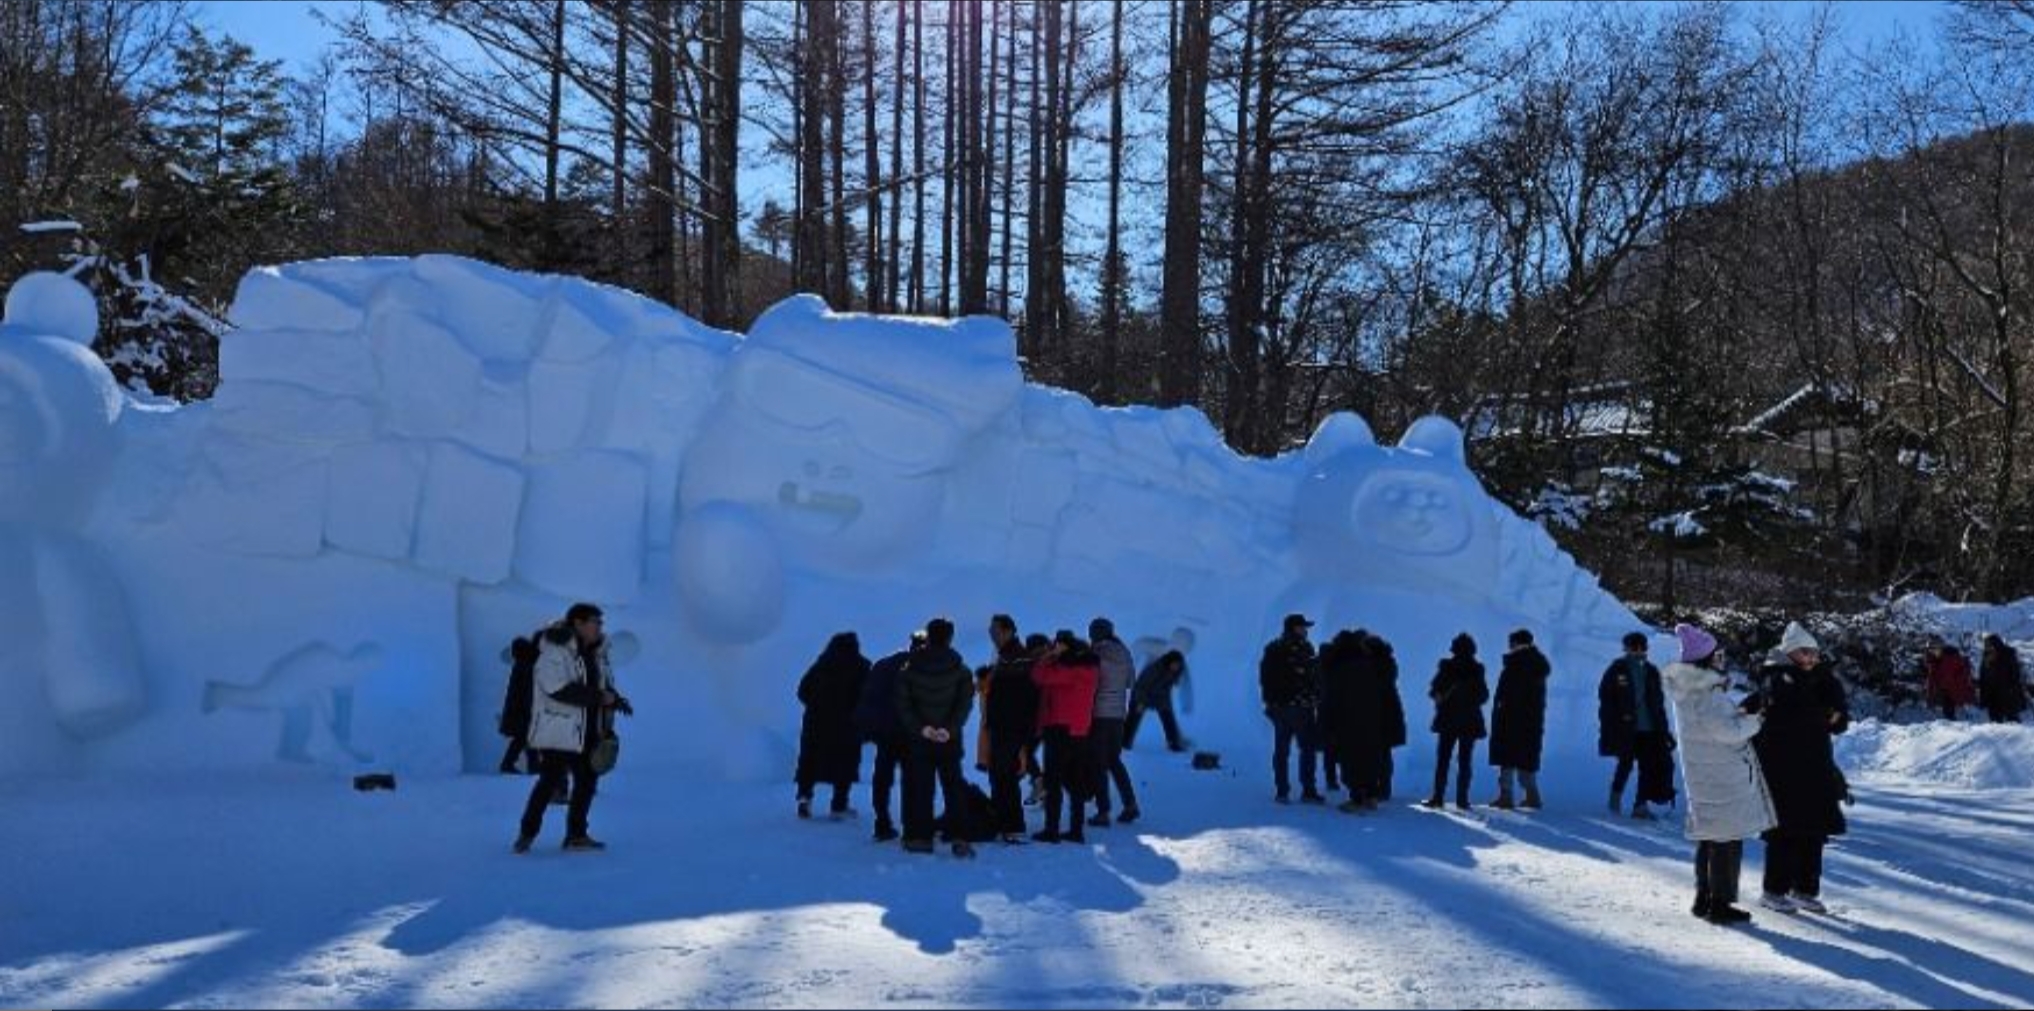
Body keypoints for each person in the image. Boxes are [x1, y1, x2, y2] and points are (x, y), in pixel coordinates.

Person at [1663, 624, 1773, 927]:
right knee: (1726, 840)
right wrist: (1755, 721)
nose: (1722, 660)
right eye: (1718, 655)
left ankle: (1703, 898)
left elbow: (1713, 725)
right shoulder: (1705, 692)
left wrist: (1737, 714)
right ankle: (1720, 904)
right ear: (1705, 660)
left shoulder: (1690, 689)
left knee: (1709, 837)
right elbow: (1726, 732)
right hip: (1721, 776)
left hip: (1705, 773)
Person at [1748, 622, 1850, 915]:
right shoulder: (1776, 677)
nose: (1812, 658)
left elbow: (1839, 718)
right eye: (1806, 652)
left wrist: (1831, 712)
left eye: (1815, 653)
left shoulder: (1821, 679)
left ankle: (1805, 889)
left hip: (1816, 764)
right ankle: (1774, 889)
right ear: (1791, 651)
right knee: (1785, 830)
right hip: (1782, 766)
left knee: (1814, 830)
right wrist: (1821, 715)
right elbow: (1788, 714)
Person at [515, 603, 632, 854]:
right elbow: (556, 688)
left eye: (601, 622)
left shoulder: (596, 652)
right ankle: (527, 833)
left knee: (587, 782)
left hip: (588, 729)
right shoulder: (555, 651)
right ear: (578, 623)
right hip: (560, 730)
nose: (600, 626)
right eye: (595, 621)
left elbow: (601, 685)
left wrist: (615, 699)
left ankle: (576, 835)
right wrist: (601, 697)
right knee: (549, 783)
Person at [895, 618, 977, 858]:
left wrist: (921, 728)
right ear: (950, 637)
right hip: (949, 740)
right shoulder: (960, 669)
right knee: (953, 788)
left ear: (928, 636)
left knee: (922, 788)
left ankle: (921, 838)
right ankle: (960, 838)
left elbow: (903, 704)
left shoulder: (910, 668)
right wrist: (949, 729)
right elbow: (964, 704)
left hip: (919, 740)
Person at [1032, 630, 1100, 843]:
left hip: (1059, 727)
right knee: (1076, 781)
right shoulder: (1090, 668)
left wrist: (1049, 657)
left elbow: (1038, 675)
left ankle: (1051, 830)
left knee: (1053, 781)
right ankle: (1076, 829)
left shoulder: (1067, 669)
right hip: (1080, 729)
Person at [1599, 632, 1676, 820]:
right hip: (1626, 728)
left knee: (1647, 767)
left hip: (1650, 728)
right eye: (1634, 647)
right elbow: (1606, 699)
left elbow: (1658, 704)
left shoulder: (1651, 670)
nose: (1638, 651)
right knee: (1625, 764)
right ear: (1626, 648)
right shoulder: (1617, 669)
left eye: (1642, 647)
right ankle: (1614, 800)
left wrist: (1664, 730)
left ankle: (1640, 806)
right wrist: (1613, 722)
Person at [856, 631, 924, 842]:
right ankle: (911, 827)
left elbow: (868, 696)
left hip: (885, 732)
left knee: (883, 777)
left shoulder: (884, 665)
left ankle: (882, 823)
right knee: (911, 780)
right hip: (911, 734)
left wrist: (870, 728)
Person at [795, 632, 871, 820]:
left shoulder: (821, 664)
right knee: (845, 763)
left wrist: (816, 706)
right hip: (847, 726)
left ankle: (804, 798)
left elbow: (802, 690)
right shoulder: (862, 667)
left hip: (816, 724)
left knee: (810, 762)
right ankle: (839, 805)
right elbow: (868, 698)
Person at [983, 615, 1041, 844]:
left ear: (1009, 631)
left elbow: (1025, 697)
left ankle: (1012, 824)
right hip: (1004, 726)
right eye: (990, 631)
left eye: (995, 631)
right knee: (1000, 774)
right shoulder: (1006, 656)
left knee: (1004, 775)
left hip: (1011, 727)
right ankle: (1003, 821)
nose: (992, 635)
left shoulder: (1017, 659)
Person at [1261, 614, 1326, 805]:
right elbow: (1270, 679)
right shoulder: (1297, 649)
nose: (1306, 630)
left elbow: (1265, 680)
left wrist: (1271, 704)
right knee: (1305, 749)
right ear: (1294, 628)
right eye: (1303, 627)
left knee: (1283, 750)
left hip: (1283, 708)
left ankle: (1283, 790)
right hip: (1298, 707)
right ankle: (1307, 790)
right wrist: (1313, 696)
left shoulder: (1275, 648)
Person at [1321, 630, 1386, 813]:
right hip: (1370, 720)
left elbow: (1333, 698)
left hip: (1347, 722)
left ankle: (1356, 799)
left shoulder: (1340, 669)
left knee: (1351, 760)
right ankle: (1371, 796)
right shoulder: (1370, 665)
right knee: (1369, 758)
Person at [1424, 634, 1490, 811]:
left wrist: (1445, 696)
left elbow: (1434, 691)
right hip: (1469, 720)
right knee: (1465, 761)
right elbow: (1483, 696)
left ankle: (1438, 797)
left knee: (1443, 760)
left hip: (1447, 719)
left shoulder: (1446, 667)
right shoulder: (1477, 669)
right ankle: (1462, 800)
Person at [1489, 629, 1552, 811]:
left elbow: (1508, 696)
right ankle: (1532, 795)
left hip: (1510, 719)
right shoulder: (1537, 665)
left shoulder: (1515, 666)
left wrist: (1501, 713)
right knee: (1526, 758)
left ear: (1516, 643)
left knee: (1507, 758)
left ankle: (1506, 796)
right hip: (1531, 721)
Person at [1088, 618, 1141, 827]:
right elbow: (1131, 682)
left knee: (1099, 764)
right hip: (1119, 715)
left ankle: (1103, 812)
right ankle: (1130, 804)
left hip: (1099, 714)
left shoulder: (1096, 654)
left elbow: (1090, 681)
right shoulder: (1124, 652)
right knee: (1114, 761)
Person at [1126, 651, 1189, 752]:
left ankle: (1174, 743)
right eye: (1175, 664)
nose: (1176, 666)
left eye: (1179, 664)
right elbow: (1141, 687)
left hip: (1160, 698)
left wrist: (1166, 702)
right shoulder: (1154, 669)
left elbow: (1168, 686)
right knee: (1133, 719)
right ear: (1169, 662)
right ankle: (1124, 742)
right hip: (1141, 695)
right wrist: (1141, 703)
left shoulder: (1176, 671)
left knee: (1169, 720)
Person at [497, 633, 542, 774]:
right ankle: (514, 765)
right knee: (525, 738)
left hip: (518, 710)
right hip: (524, 710)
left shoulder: (521, 664)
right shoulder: (527, 665)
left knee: (524, 738)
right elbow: (528, 691)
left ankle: (525, 765)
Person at [1924, 637, 1977, 722]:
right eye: (1931, 649)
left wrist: (1962, 681)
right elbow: (1931, 679)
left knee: (1966, 717)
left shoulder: (1951, 657)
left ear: (1941, 647)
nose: (1934, 651)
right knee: (1949, 716)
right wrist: (1929, 697)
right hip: (1946, 692)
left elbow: (1965, 668)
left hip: (1959, 690)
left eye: (1936, 648)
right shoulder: (1932, 661)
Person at [1979, 635, 2028, 724]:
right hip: (1992, 696)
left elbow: (2015, 676)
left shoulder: (2008, 655)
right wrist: (1983, 697)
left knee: (2013, 722)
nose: (1987, 647)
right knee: (1995, 724)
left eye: (1989, 645)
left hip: (2008, 696)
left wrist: (2013, 692)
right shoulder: (1986, 657)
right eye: (1986, 645)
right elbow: (1983, 677)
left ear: (1996, 644)